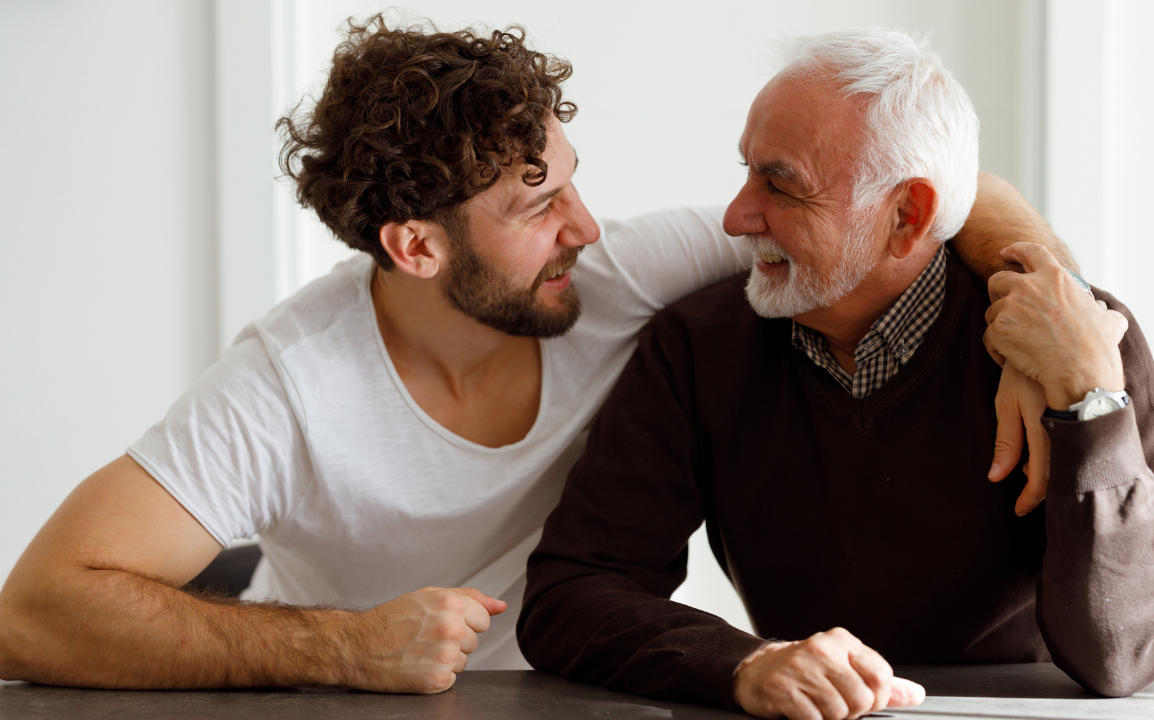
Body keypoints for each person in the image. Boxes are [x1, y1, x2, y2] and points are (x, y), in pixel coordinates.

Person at [0, 19, 1074, 693]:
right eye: (535, 202)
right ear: (415, 247)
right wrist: (338, 650)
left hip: (588, 694)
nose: (586, 225)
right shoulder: (287, 387)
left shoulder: (614, 274)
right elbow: (34, 610)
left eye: (569, 177)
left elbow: (921, 195)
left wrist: (1043, 315)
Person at [518, 29, 1154, 720]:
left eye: (781, 185)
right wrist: (743, 663)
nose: (736, 215)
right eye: (746, 171)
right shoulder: (698, 346)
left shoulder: (1082, 343)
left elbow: (1125, 659)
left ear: (908, 215)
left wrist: (1089, 405)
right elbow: (572, 592)